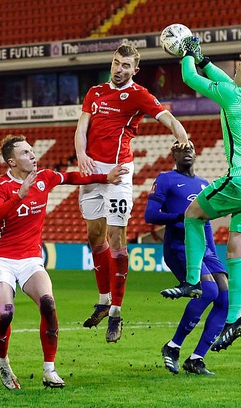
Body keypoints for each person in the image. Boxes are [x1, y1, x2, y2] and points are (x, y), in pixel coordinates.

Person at [159, 40, 241, 353]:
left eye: (239, 67)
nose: (234, 70)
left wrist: (186, 54)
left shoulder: (232, 94)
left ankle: (193, 280)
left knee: (193, 214)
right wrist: (205, 58)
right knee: (238, 253)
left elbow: (190, 79)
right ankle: (235, 319)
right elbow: (225, 82)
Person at [0, 134, 127, 390]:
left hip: (30, 259)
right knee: (5, 314)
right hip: (2, 259)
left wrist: (104, 177)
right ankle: (2, 362)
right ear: (11, 161)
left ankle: (49, 369)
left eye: (31, 151)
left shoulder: (45, 177)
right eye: (25, 153)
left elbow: (71, 177)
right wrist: (19, 196)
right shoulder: (0, 186)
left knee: (48, 304)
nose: (32, 155)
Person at [75, 44, 189, 343]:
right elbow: (81, 127)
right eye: (116, 63)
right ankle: (102, 299)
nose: (119, 68)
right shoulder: (94, 92)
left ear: (134, 70)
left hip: (119, 173)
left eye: (125, 65)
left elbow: (166, 117)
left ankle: (116, 311)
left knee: (115, 237)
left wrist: (181, 134)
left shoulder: (138, 94)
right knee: (94, 237)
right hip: (91, 172)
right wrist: (80, 155)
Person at [145, 142, 229, 376]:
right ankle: (173, 346)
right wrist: (181, 217)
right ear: (173, 154)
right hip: (179, 246)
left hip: (205, 248)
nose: (188, 151)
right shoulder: (165, 179)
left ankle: (197, 358)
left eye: (191, 147)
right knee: (209, 292)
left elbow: (207, 222)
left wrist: (212, 255)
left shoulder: (204, 184)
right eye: (182, 149)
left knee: (225, 298)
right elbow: (150, 215)